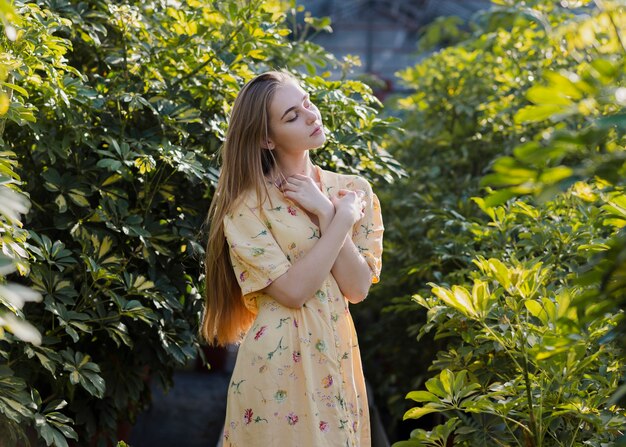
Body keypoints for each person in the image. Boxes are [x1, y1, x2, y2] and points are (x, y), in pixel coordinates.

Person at [201, 70, 383, 447]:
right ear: (267, 138)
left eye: (307, 103)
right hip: (275, 368)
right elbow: (293, 292)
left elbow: (358, 286)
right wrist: (342, 219)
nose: (311, 115)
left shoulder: (352, 190)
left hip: (337, 357)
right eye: (292, 116)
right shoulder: (247, 206)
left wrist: (326, 210)